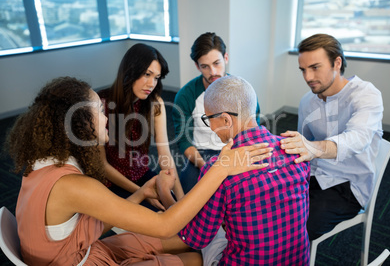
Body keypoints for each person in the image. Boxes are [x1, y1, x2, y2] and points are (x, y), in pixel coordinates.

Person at [6, 76, 272, 265]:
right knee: (192, 256)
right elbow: (165, 224)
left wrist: (144, 192)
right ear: (79, 123)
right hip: (81, 258)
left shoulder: (41, 165)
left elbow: (89, 222)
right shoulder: (72, 186)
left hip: (74, 249)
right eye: (99, 110)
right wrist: (222, 168)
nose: (106, 116)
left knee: (190, 245)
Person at [163, 75, 310, 265]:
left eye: (209, 119)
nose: (211, 128)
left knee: (209, 241)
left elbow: (195, 237)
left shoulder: (221, 169)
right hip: (298, 260)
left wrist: (165, 192)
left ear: (225, 120)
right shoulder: (295, 149)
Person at [280, 33, 384, 241]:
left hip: (348, 186)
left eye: (315, 67)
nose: (308, 77)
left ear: (337, 62)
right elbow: (303, 145)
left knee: (295, 231)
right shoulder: (307, 102)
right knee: (263, 208)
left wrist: (313, 148)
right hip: (312, 175)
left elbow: (357, 138)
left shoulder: (366, 95)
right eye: (303, 70)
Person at [173, 32, 261, 193]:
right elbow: (183, 140)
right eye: (205, 66)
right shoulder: (185, 95)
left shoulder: (243, 91)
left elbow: (253, 130)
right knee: (189, 197)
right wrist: (207, 167)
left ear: (226, 58)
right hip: (201, 154)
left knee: (250, 194)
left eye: (217, 63)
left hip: (237, 149)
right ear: (197, 66)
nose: (213, 71)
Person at [98, 43, 183, 209]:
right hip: (111, 182)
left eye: (156, 77)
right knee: (149, 222)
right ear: (130, 72)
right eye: (147, 74)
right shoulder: (101, 103)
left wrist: (181, 199)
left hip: (142, 175)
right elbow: (102, 165)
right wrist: (142, 193)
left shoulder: (155, 103)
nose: (152, 84)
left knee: (173, 212)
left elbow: (164, 153)